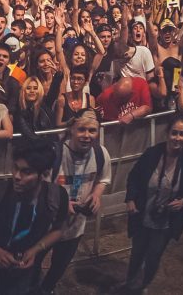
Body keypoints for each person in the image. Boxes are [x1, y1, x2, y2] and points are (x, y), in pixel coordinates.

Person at [0, 140, 70, 295]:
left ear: (43, 174)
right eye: (15, 167)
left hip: (25, 277)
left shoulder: (56, 196)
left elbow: (59, 229)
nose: (16, 176)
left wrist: (35, 250)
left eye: (26, 172)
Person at [122, 112, 183, 293]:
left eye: (182, 134)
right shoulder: (152, 154)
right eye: (174, 133)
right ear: (167, 133)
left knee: (154, 256)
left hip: (166, 221)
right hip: (144, 214)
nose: (177, 138)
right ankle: (129, 284)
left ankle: (143, 285)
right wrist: (131, 199)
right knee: (137, 253)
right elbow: (134, 177)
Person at [41, 109, 111, 294]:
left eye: (92, 130)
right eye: (81, 129)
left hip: (74, 227)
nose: (87, 135)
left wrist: (96, 194)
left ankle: (46, 289)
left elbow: (103, 179)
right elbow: (39, 187)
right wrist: (61, 205)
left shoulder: (101, 154)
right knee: (33, 262)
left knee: (59, 265)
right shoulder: (54, 154)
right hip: (46, 226)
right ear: (71, 129)